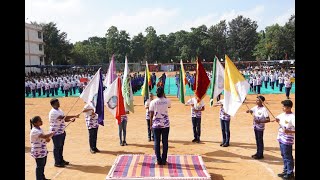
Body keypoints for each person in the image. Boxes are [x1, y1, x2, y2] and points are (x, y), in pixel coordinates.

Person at [49, 98, 79, 167]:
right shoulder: (53, 112)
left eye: (58, 102)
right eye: (57, 103)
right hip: (55, 133)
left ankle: (61, 160)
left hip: (61, 131)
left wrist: (70, 119)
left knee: (61, 147)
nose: (59, 104)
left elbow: (64, 119)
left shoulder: (59, 110)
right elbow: (62, 117)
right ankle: (57, 162)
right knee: (57, 147)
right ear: (53, 105)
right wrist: (74, 116)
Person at [149, 87, 171, 165]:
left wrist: (151, 124)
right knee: (165, 142)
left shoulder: (152, 102)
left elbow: (151, 114)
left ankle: (158, 160)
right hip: (165, 124)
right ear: (163, 93)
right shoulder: (167, 101)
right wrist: (164, 97)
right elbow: (169, 106)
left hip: (156, 125)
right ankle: (164, 160)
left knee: (156, 142)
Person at [273, 100, 295, 179]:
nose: (282, 108)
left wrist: (290, 131)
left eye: (284, 106)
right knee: (283, 155)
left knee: (288, 156)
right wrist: (276, 120)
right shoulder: (283, 114)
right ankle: (285, 170)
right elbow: (277, 118)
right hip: (281, 137)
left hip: (287, 139)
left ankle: (290, 173)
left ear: (289, 108)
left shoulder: (293, 117)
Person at [30, 116, 55, 180]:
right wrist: (51, 133)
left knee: (42, 165)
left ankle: (42, 178)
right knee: (40, 166)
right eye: (39, 121)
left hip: (42, 149)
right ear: (35, 123)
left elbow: (43, 138)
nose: (41, 121)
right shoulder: (34, 131)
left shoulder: (39, 129)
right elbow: (44, 136)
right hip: (38, 151)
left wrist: (47, 139)